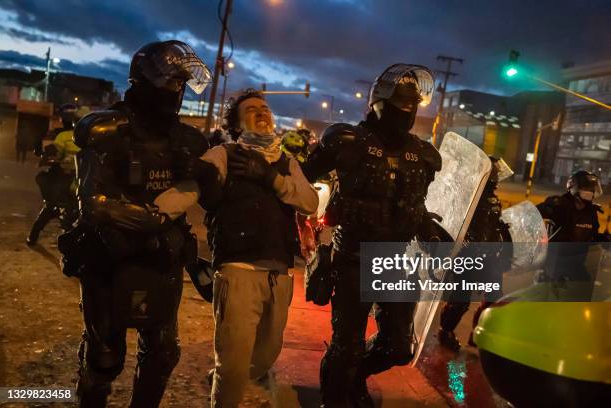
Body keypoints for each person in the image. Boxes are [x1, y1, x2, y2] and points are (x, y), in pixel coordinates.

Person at [60, 40, 211, 407]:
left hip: (162, 259)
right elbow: (94, 204)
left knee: (162, 354)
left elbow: (205, 193)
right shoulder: (108, 129)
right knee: (105, 357)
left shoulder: (185, 138)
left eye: (181, 84)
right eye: (172, 82)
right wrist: (154, 220)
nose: (177, 92)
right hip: (109, 254)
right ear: (143, 81)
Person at [302, 64, 448, 407]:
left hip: (396, 261)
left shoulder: (423, 154)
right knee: (347, 346)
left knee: (398, 348)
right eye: (399, 106)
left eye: (412, 107)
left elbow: (414, 204)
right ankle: (336, 397)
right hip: (353, 257)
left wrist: (429, 230)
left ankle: (355, 378)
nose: (406, 113)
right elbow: (298, 180)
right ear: (378, 103)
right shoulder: (347, 141)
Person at [193, 89, 318, 407]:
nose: (262, 111)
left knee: (263, 357)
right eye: (251, 109)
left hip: (279, 275)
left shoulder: (287, 162)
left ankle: (226, 374)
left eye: (265, 107)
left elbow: (309, 202)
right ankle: (226, 380)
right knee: (234, 366)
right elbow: (198, 179)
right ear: (236, 125)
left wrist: (272, 178)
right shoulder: (224, 153)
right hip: (238, 270)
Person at [438, 157, 513, 352]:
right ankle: (445, 330)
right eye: (494, 172)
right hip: (469, 254)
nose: (497, 177)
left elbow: (497, 225)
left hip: (490, 255)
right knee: (461, 299)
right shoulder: (470, 194)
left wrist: (507, 249)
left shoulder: (493, 198)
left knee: (494, 298)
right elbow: (453, 220)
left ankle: (479, 335)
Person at [27, 105, 88, 245]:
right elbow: (54, 152)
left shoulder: (65, 136)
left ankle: (33, 236)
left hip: (70, 179)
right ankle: (33, 236)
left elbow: (54, 153)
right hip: (78, 180)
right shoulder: (87, 139)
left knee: (50, 206)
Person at [536, 170, 609, 284]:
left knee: (584, 287)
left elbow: (591, 236)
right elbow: (535, 214)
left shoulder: (591, 211)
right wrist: (548, 208)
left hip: (577, 264)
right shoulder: (560, 205)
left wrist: (605, 239)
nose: (590, 191)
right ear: (574, 187)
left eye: (592, 189)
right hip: (556, 264)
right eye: (586, 188)